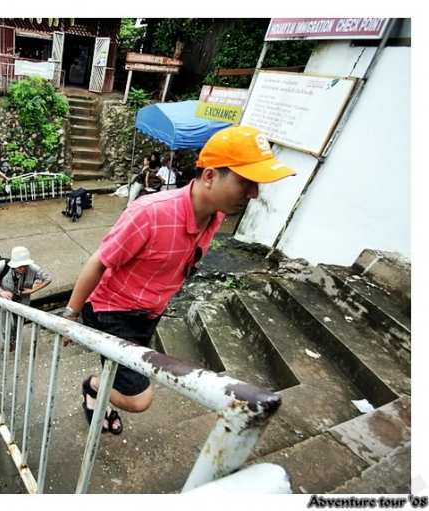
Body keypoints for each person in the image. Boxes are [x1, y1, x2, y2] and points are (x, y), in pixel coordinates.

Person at [61, 125, 297, 435]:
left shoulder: (215, 215)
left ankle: (105, 381)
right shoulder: (151, 213)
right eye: (246, 182)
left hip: (148, 313)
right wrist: (70, 315)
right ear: (210, 176)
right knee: (138, 399)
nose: (253, 194)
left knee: (127, 373)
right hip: (111, 312)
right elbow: (99, 262)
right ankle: (94, 387)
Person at [0, 246, 52, 350]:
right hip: (5, 301)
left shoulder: (34, 269)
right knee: (5, 324)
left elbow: (48, 278)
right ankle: (7, 343)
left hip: (22, 302)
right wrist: (1, 291)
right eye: (20, 266)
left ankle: (15, 340)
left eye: (25, 266)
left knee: (19, 324)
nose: (23, 269)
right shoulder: (3, 265)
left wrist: (32, 290)